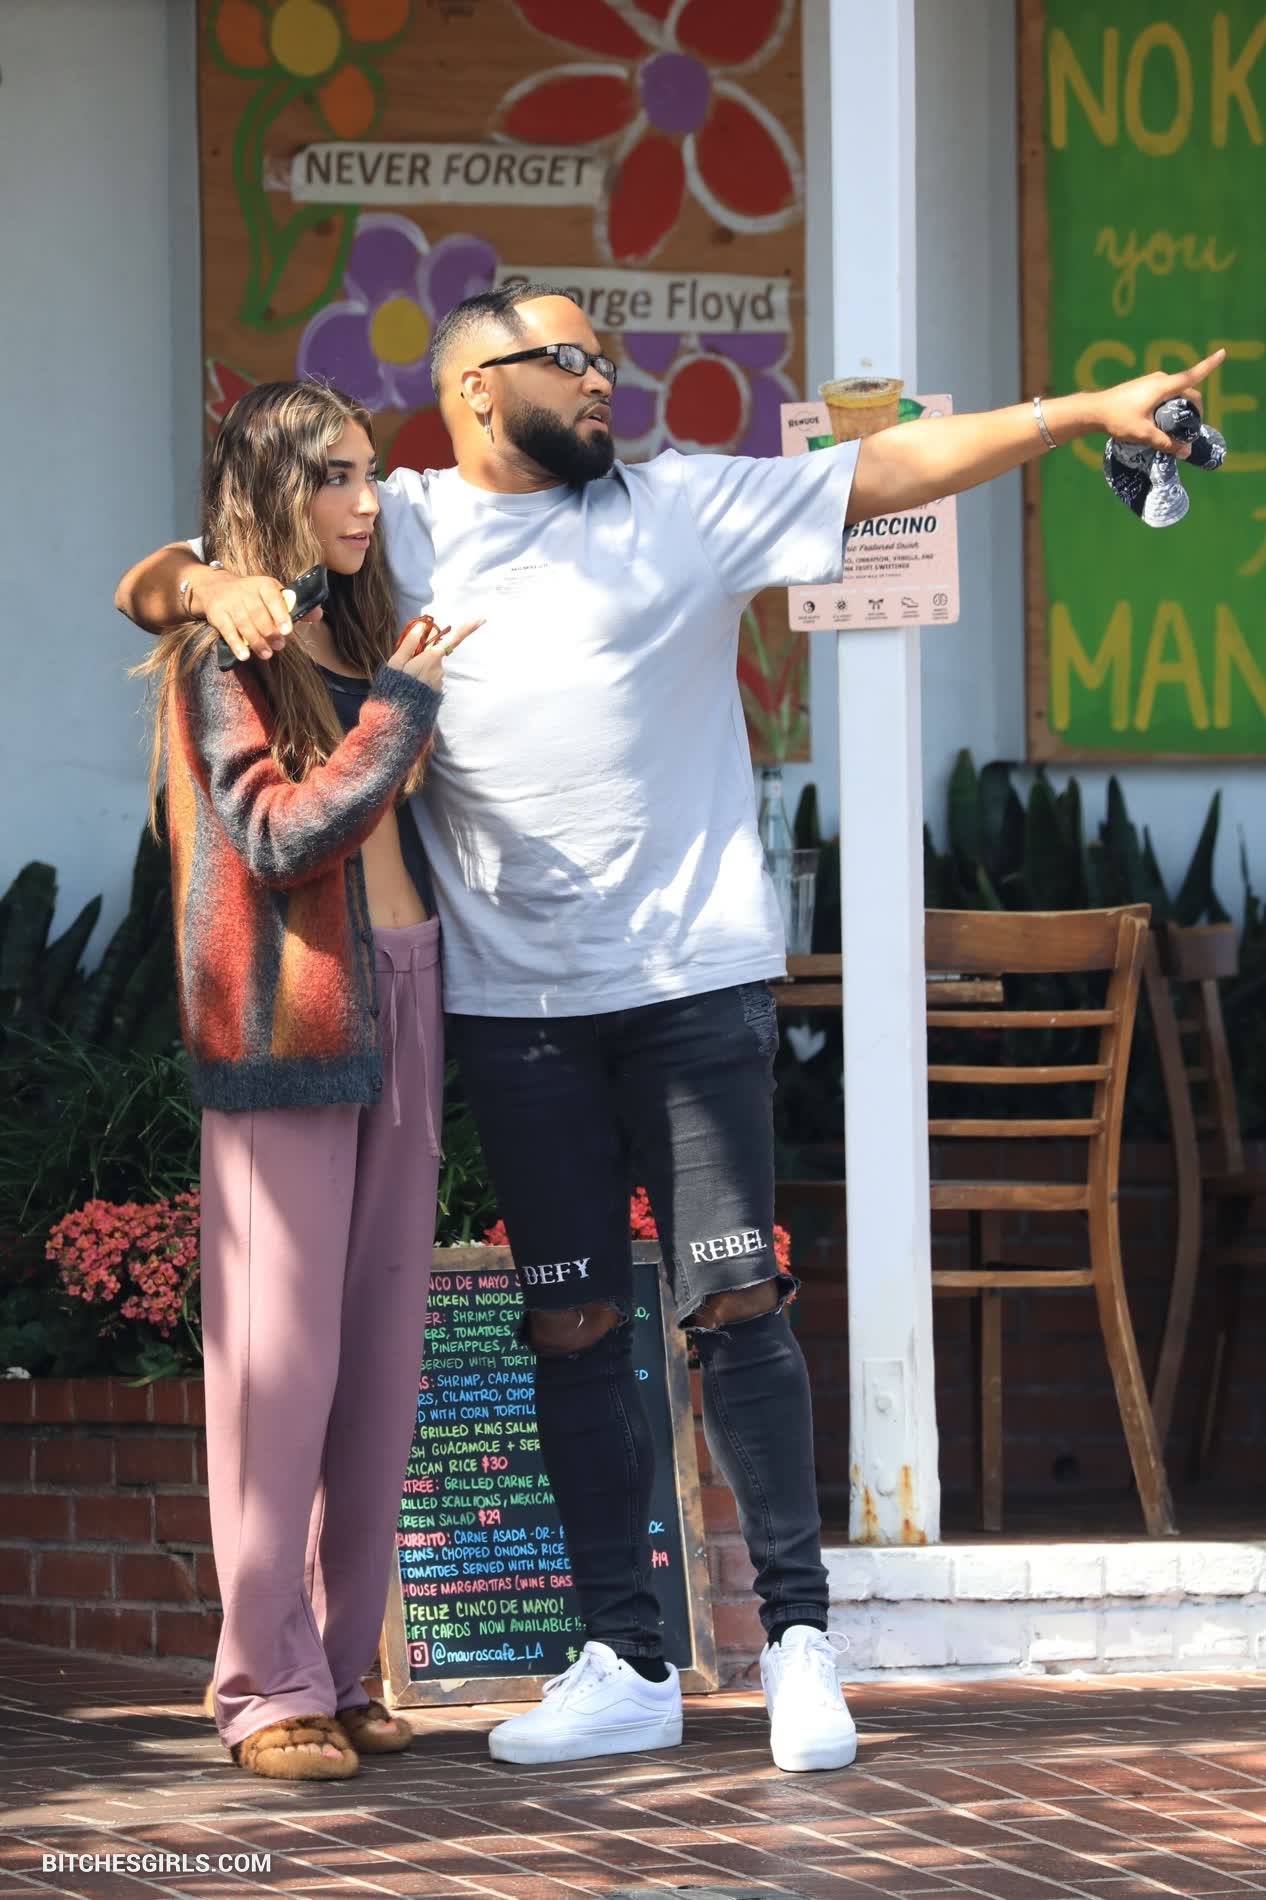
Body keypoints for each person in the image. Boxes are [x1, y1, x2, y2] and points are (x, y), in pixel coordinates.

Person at [118, 300, 1223, 1775]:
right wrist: (205, 579)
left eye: (606, 359)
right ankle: (625, 1662)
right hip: (511, 1010)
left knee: (735, 1303)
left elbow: (884, 468)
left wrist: (1077, 413)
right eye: (571, 362)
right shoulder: (405, 522)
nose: (603, 381)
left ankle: (798, 1648)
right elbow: (159, 581)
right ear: (477, 388)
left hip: (689, 984)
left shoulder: (684, 504)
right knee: (571, 1325)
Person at [133, 380, 479, 1779]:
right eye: (335, 474)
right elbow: (276, 837)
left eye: (369, 472)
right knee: (280, 1371)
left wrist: (393, 686)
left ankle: (338, 1670)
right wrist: (401, 708)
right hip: (286, 1025)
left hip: (408, 990)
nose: (364, 498)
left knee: (380, 1366)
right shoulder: (225, 650)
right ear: (275, 485)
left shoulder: (361, 629)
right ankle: (262, 1686)